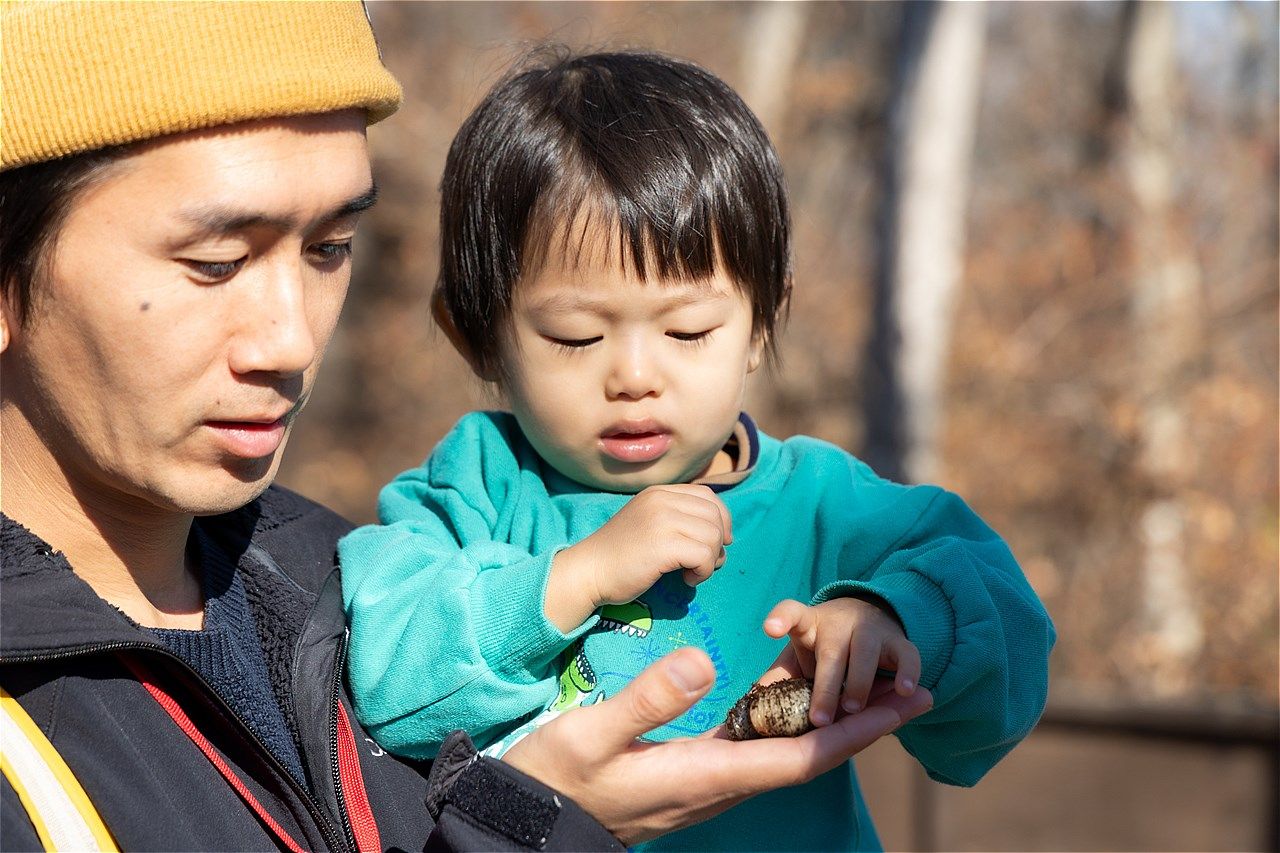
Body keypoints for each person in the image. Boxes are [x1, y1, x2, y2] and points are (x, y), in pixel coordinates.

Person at [0, 6, 935, 852]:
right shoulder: (445, 543)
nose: (291, 340)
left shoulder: (334, 572)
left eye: (330, 248)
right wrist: (539, 827)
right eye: (214, 262)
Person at [339, 50, 1056, 852]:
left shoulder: (819, 503)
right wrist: (580, 574)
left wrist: (893, 615)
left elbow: (1006, 646)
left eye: (688, 331)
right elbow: (392, 678)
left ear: (760, 326)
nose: (637, 377)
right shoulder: (477, 486)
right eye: (576, 336)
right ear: (476, 340)